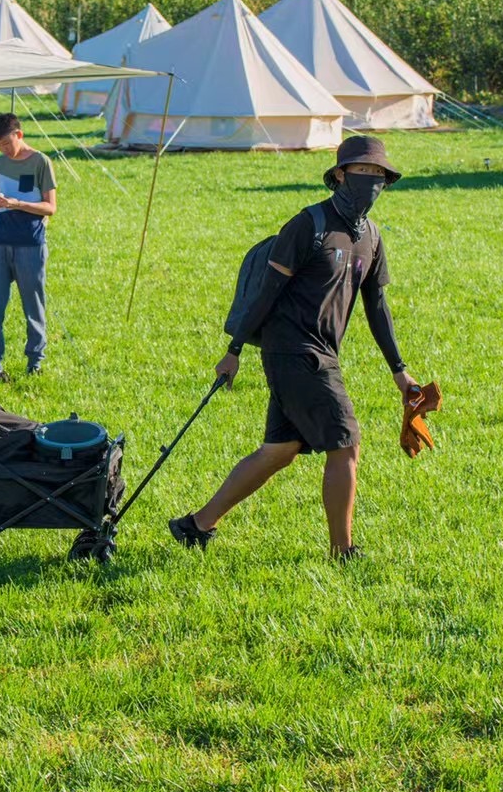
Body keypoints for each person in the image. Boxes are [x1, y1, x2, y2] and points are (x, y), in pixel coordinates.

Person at [169, 135, 419, 560]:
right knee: (346, 443)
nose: (372, 182)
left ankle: (196, 525)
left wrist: (400, 371)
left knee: (279, 451)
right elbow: (267, 291)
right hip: (293, 350)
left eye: (380, 175)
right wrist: (234, 351)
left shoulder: (371, 237)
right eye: (364, 172)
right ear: (340, 175)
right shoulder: (309, 225)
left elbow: (376, 306)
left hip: (322, 351)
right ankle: (343, 551)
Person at [0, 112, 57, 381]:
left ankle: (35, 361)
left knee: (33, 304)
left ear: (19, 134)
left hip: (30, 241)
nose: (3, 150)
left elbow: (51, 207)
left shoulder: (41, 162)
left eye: (5, 143)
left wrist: (18, 204)